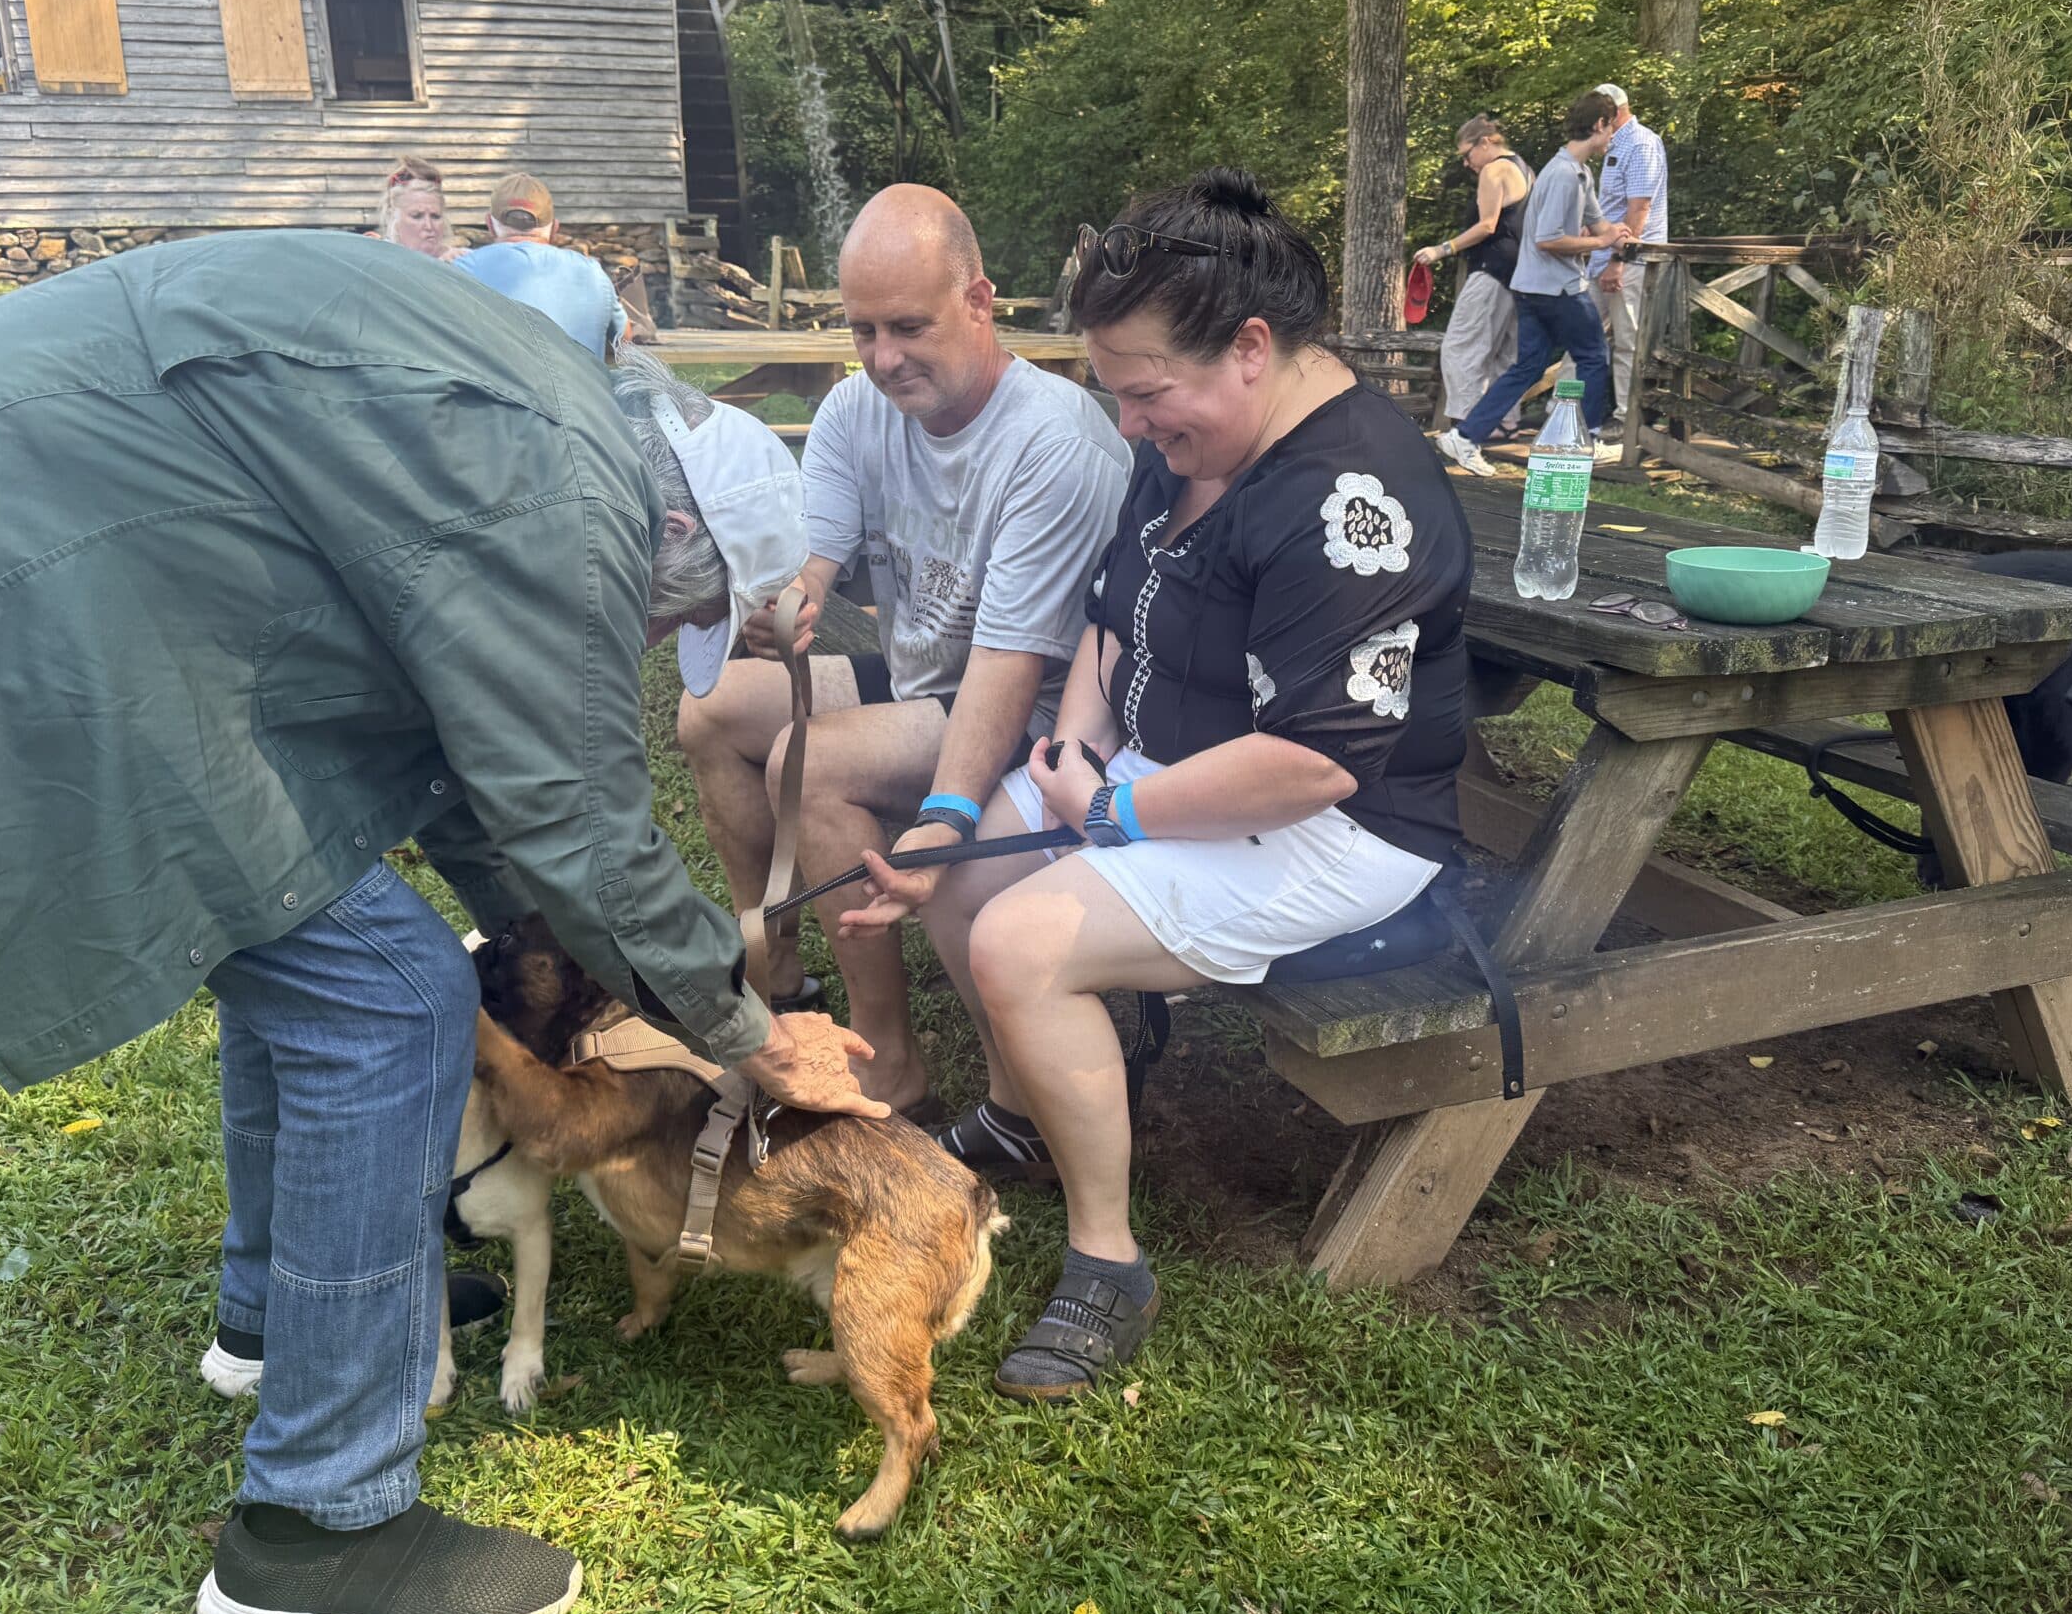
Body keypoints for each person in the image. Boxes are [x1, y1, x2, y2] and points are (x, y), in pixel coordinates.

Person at [0, 230, 885, 1614]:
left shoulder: (523, 421)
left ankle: (278, 1318)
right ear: (675, 529)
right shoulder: (570, 478)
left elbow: (483, 774)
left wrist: (561, 935)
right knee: (387, 997)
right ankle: (321, 1526)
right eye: (681, 615)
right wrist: (749, 1031)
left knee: (298, 911)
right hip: (1, 568)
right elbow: (571, 813)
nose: (655, 641)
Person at [844, 170, 1474, 1399]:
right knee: (962, 881)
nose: (1128, 426)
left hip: (1334, 825)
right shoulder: (1187, 440)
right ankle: (1021, 1112)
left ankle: (1108, 1261)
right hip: (1163, 774)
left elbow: (1314, 761)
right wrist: (1072, 755)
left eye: (1143, 395)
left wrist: (1111, 813)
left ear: (1250, 348)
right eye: (1117, 395)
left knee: (1022, 941)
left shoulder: (1354, 497)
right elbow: (1109, 617)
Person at [676, 185, 1127, 1114]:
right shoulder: (855, 411)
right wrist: (788, 605)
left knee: (809, 760)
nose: (884, 358)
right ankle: (776, 969)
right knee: (713, 708)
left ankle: (885, 1056)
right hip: (929, 681)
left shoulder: (1054, 442)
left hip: (1043, 706)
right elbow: (814, 561)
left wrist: (948, 815)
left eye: (910, 327)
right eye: (864, 330)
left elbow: (1008, 665)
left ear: (979, 301)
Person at [1436, 90, 1634, 477]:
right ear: (1598, 125)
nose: (1612, 137)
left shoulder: (1577, 172)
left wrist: (1619, 236)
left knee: (1527, 366)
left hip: (1533, 287)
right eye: (1611, 128)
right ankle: (1586, 440)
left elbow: (1598, 222)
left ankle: (1464, 437)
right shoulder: (1562, 175)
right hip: (1555, 287)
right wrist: (1601, 244)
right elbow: (1548, 239)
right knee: (1593, 356)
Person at [1412, 116, 1533, 432]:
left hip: (1492, 269)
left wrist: (1442, 249)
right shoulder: (1525, 169)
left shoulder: (1494, 170)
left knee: (1460, 346)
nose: (1467, 164)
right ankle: (1506, 422)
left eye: (1467, 154)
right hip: (1520, 272)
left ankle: (1467, 425)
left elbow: (1487, 225)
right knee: (1504, 352)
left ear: (1486, 142)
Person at [450, 172, 628, 360]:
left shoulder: (460, 271)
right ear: (554, 229)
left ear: (490, 225)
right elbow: (625, 343)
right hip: (579, 379)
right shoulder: (593, 273)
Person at [1589, 83, 1671, 424]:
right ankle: (1568, 412)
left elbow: (1639, 210)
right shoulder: (1614, 143)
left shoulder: (1641, 144)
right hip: (1602, 257)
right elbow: (1612, 205)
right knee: (1582, 333)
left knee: (1628, 340)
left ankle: (1628, 419)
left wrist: (1618, 261)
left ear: (1613, 113)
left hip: (1630, 262)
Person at [374, 156, 451, 257]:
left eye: (435, 216)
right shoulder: (375, 260)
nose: (429, 226)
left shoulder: (463, 260)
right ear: (393, 215)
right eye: (417, 216)